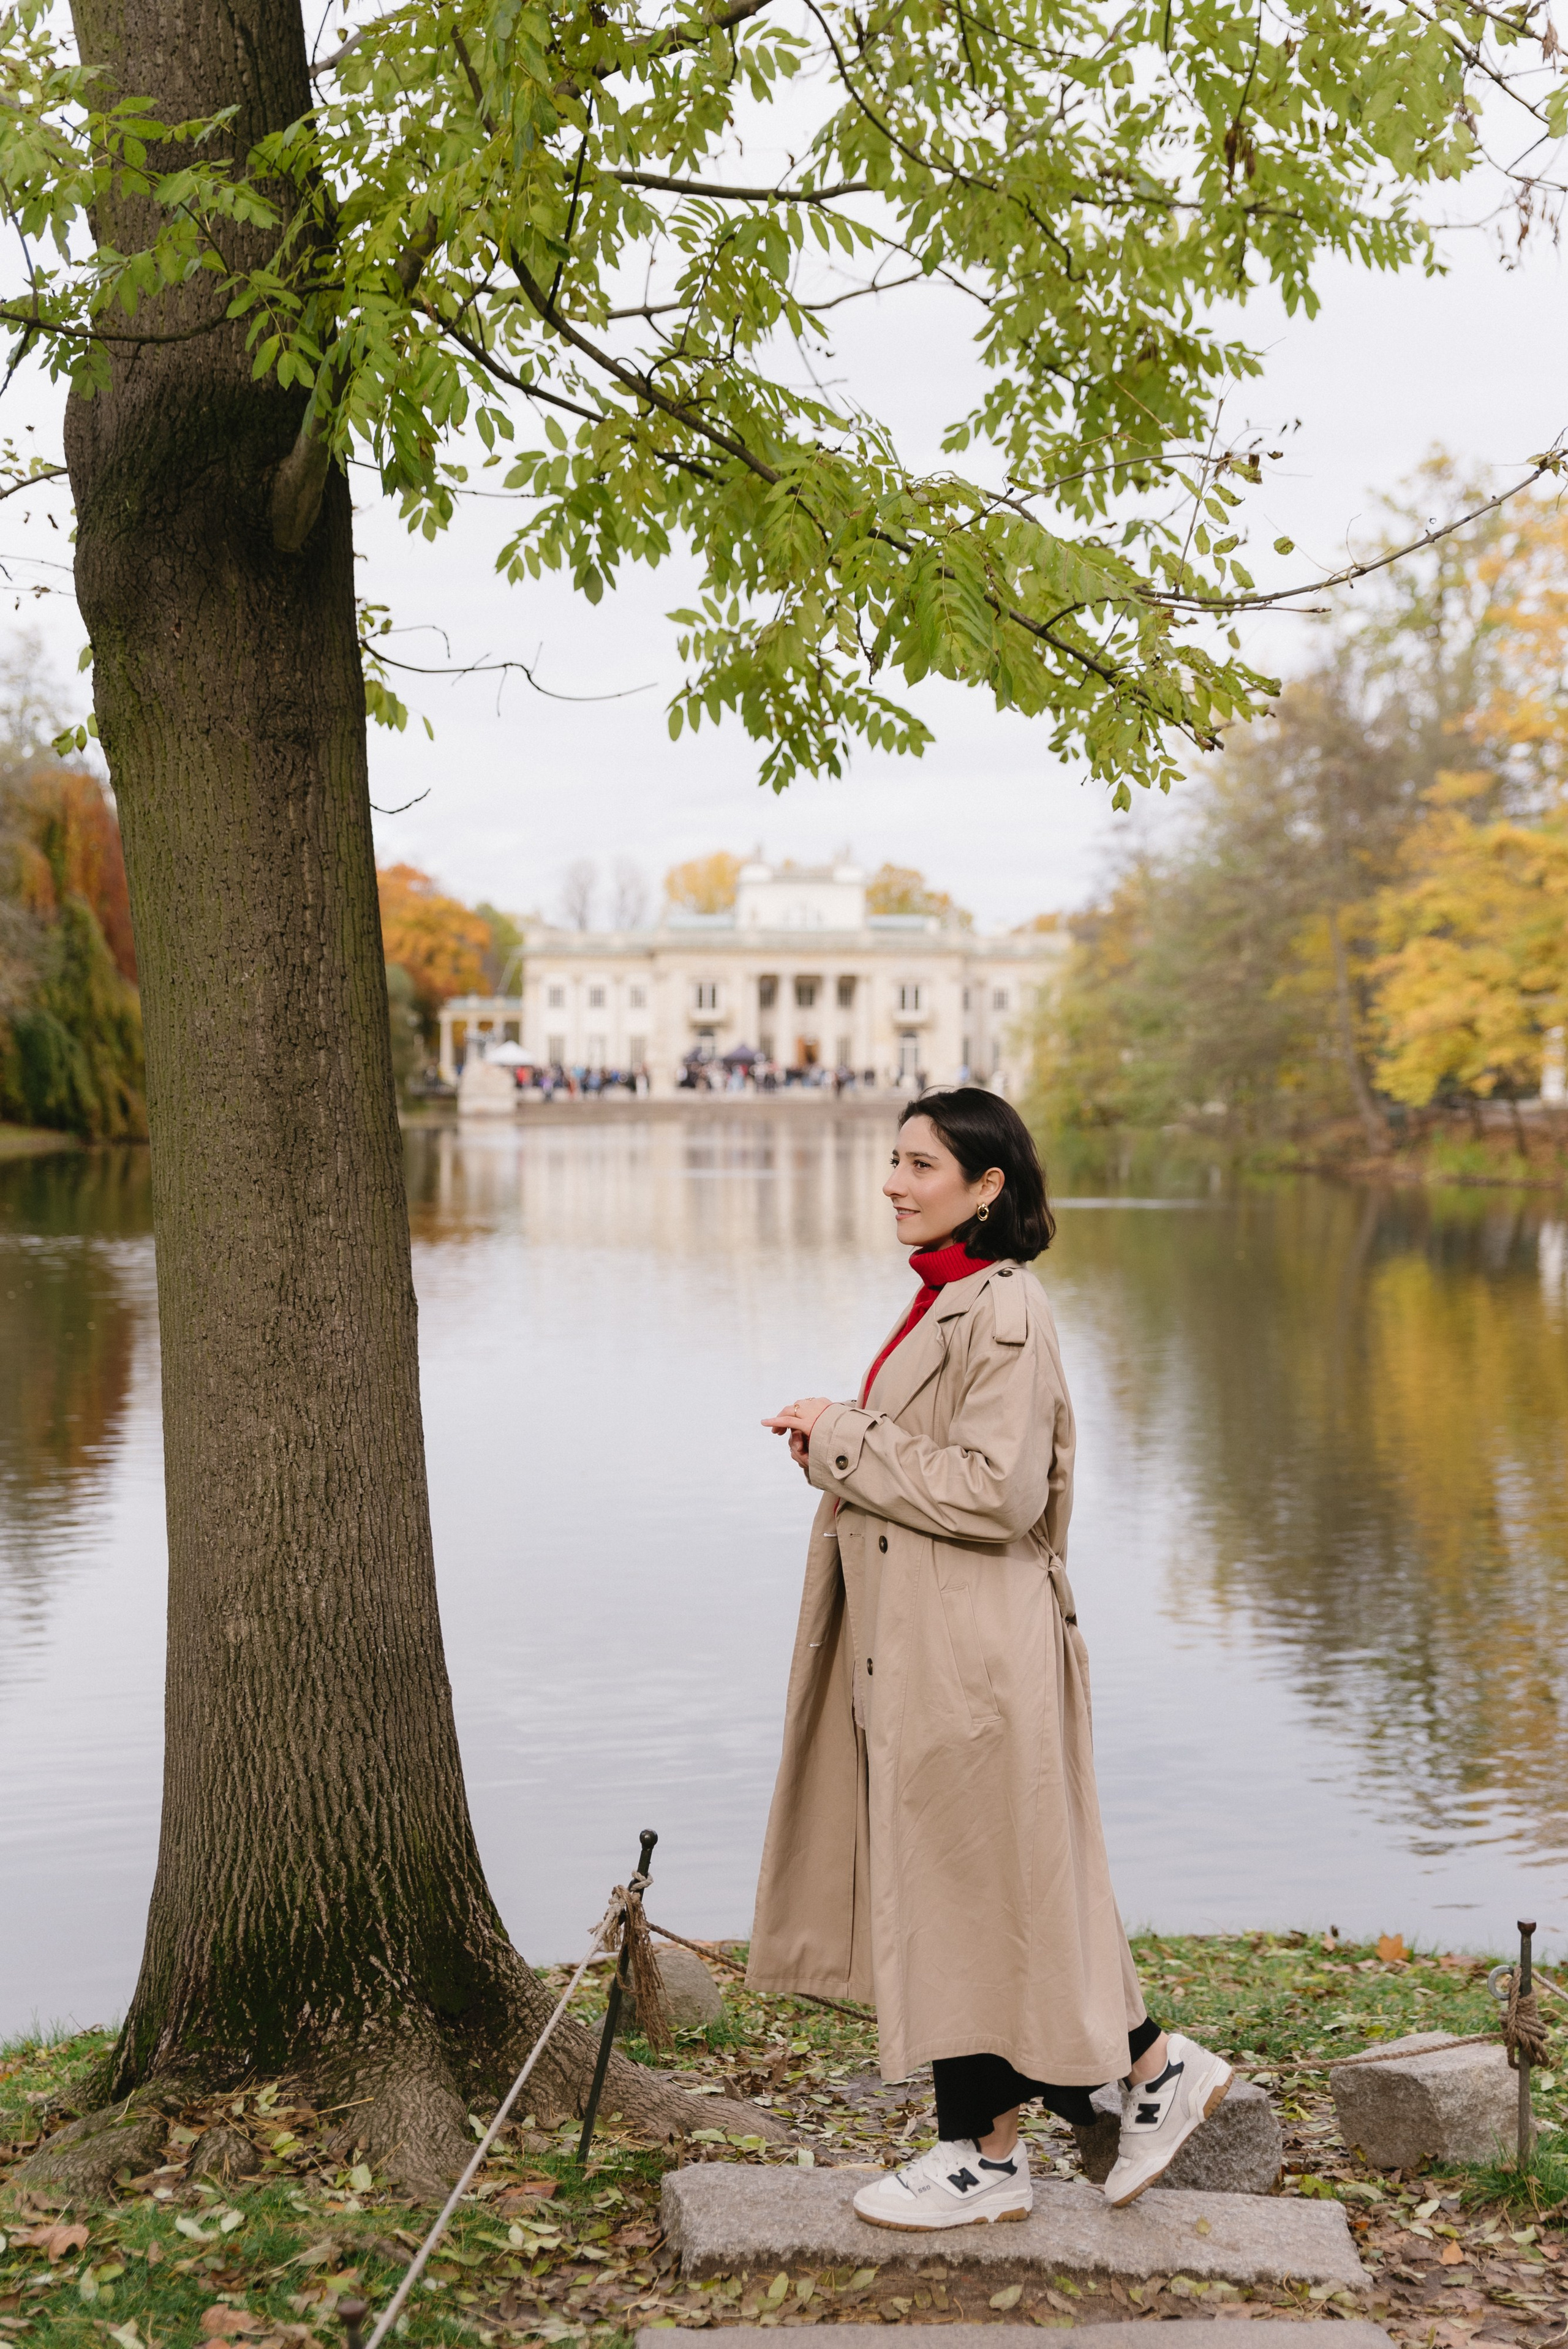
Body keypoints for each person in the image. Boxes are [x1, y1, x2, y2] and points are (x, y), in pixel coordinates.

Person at [754, 1087, 1231, 2227]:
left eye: (919, 1165)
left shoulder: (1003, 1311)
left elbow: (997, 1490)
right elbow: (935, 1469)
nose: (894, 1183)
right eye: (893, 1160)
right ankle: (1112, 2090)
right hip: (933, 1641)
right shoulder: (952, 1301)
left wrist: (841, 1436)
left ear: (987, 1187)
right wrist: (838, 1448)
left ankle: (996, 2152)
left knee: (973, 1894)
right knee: (980, 1894)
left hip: (970, 1652)